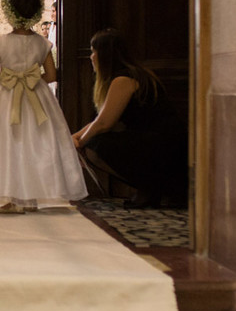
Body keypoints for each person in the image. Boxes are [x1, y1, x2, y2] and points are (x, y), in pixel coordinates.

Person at [0, 0, 87, 213]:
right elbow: (51, 75)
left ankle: (14, 198)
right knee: (35, 142)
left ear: (9, 11)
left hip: (6, 96)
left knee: (9, 142)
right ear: (36, 12)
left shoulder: (1, 42)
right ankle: (31, 197)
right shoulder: (43, 43)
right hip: (36, 96)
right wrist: (30, 76)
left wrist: (9, 75)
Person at [72, 28, 187, 207]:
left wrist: (81, 142)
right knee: (94, 141)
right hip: (158, 141)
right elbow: (100, 119)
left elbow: (104, 123)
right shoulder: (131, 74)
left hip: (164, 144)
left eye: (93, 51)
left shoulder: (123, 80)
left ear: (105, 55)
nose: (91, 57)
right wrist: (75, 137)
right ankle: (150, 188)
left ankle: (152, 187)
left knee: (96, 146)